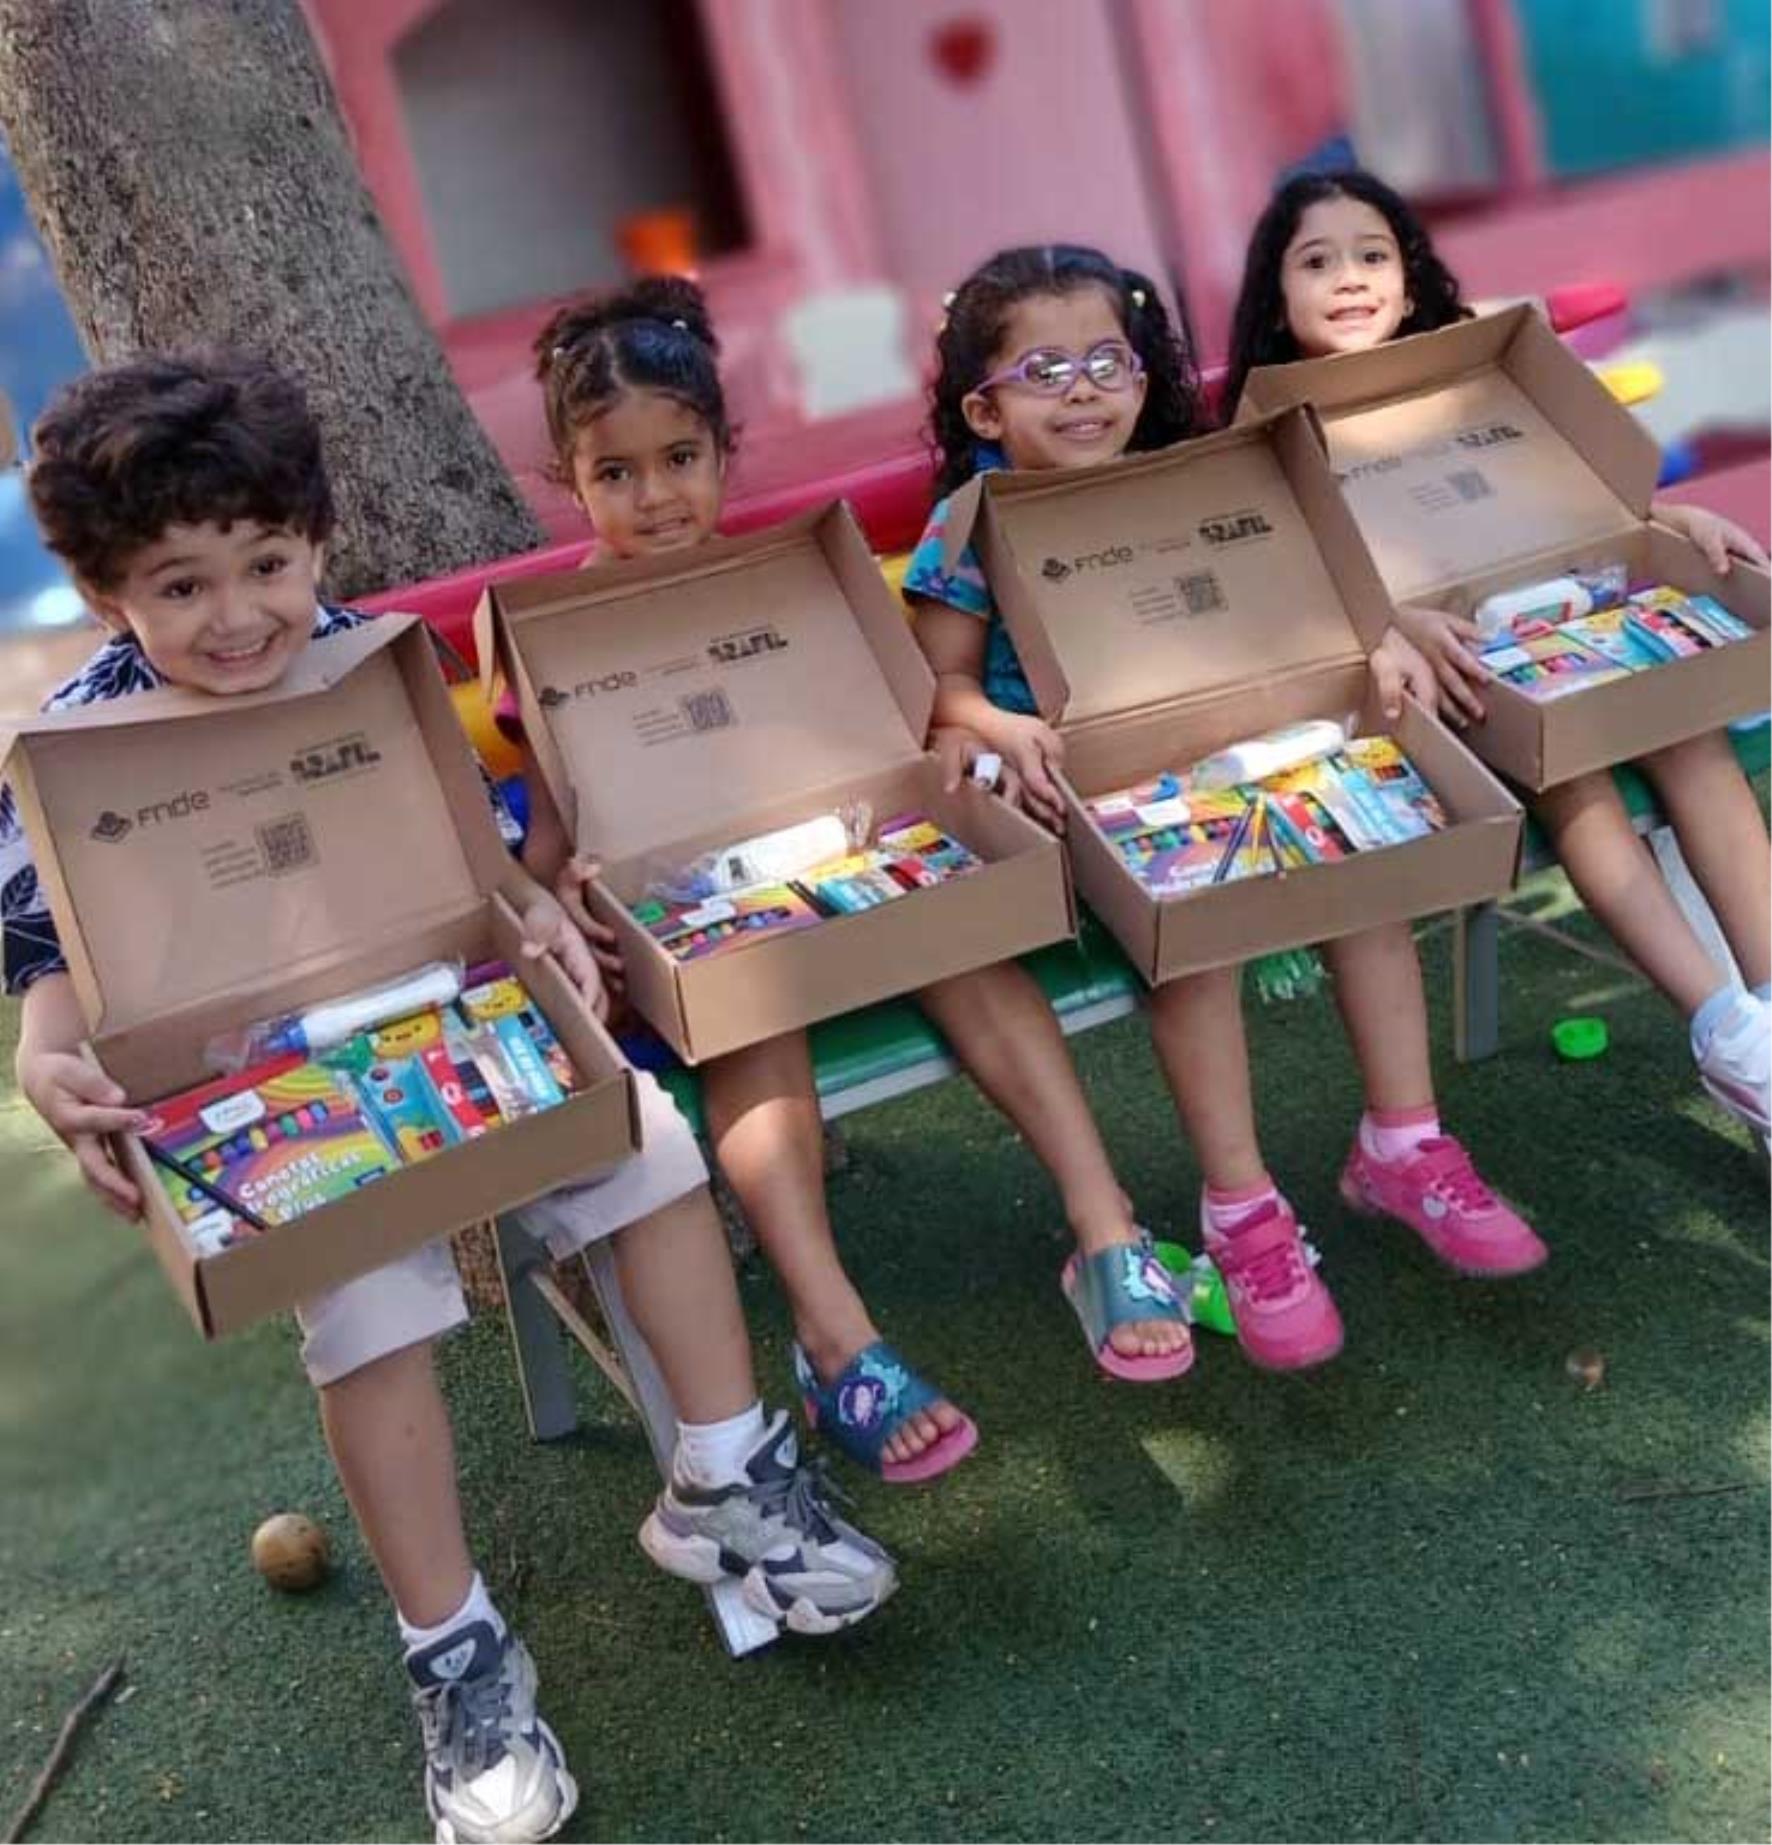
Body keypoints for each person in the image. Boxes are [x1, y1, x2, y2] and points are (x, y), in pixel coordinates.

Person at [4, 351, 895, 1845]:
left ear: (315, 541)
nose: (238, 616)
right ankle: (456, 1648)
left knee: (650, 1147)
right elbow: (52, 960)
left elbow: (481, 866)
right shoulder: (74, 749)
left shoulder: (369, 661)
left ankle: (726, 1477)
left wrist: (536, 918)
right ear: (107, 598)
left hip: (465, 1028)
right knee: (364, 1309)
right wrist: (46, 1057)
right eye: (180, 586)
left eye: (266, 563)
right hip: (267, 1096)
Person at [526, 278, 1193, 1470]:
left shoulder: (791, 582)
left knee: (968, 953)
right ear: (569, 482)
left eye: (679, 458)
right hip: (695, 936)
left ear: (722, 451)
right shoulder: (553, 638)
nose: (655, 495)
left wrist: (936, 772)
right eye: (614, 472)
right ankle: (833, 1334)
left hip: (850, 873)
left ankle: (1105, 1230)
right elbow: (543, 857)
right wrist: (564, 894)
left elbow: (894, 734)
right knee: (752, 1025)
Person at [904, 243, 1549, 1379]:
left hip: (1231, 762)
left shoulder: (1191, 481)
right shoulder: (967, 525)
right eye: (1043, 372)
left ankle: (1403, 1142)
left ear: (1142, 374)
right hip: (1083, 804)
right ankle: (1240, 1209)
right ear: (984, 409)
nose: (1082, 391)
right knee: (1192, 935)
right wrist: (996, 724)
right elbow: (940, 688)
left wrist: (1377, 643)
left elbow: (1298, 609)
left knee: (1364, 872)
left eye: (1105, 362)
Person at [1224, 167, 1771, 1141]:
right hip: (1452, 684)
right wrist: (1392, 624)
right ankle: (1728, 1033)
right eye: (1316, 262)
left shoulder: (1474, 364)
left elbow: (1581, 496)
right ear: (1274, 293)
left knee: (1691, 739)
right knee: (1576, 782)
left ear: (1407, 277)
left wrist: (1670, 521)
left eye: (1371, 255)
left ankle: (1767, 1007)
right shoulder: (1266, 428)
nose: (1348, 278)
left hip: (1578, 626)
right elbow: (1282, 594)